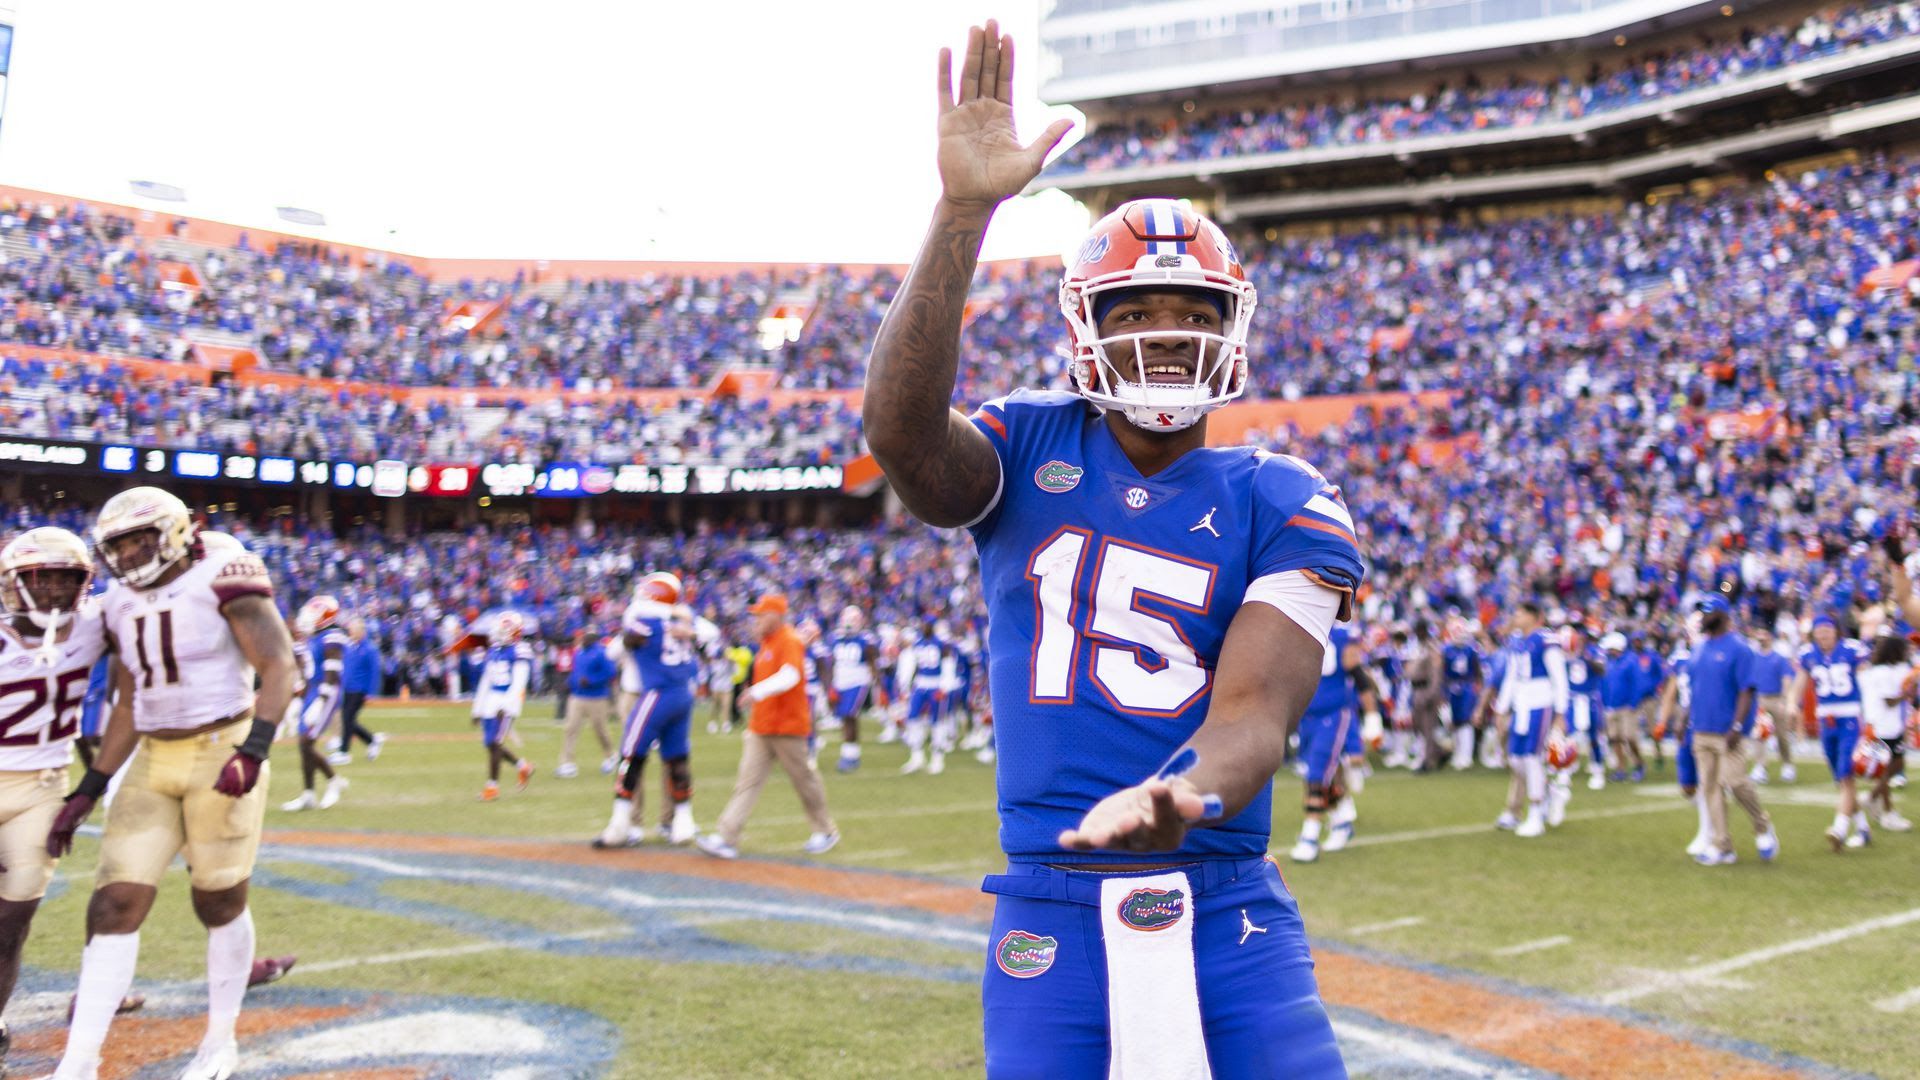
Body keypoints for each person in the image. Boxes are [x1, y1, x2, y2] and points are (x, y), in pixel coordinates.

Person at [862, 23, 1360, 1075]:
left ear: (1233, 328)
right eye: (1141, 307)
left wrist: (1181, 794)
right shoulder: (1024, 440)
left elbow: (1256, 716)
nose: (1170, 330)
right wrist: (962, 211)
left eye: (1195, 310)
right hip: (1050, 906)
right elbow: (903, 437)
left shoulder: (1286, 494)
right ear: (1087, 323)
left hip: (1226, 900)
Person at [45, 487, 297, 1080]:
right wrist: (91, 785)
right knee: (114, 902)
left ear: (178, 532)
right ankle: (78, 1062)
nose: (130, 555)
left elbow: (279, 664)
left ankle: (219, 1040)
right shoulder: (116, 604)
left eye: (140, 539)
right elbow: (130, 703)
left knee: (217, 899)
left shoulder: (223, 569)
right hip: (154, 757)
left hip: (223, 749)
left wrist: (255, 750)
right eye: (119, 545)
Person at [0, 528, 109, 1069]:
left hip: (43, 786)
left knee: (11, 921)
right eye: (42, 580)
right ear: (14, 583)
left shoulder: (96, 622)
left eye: (68, 580)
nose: (56, 592)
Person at [697, 593, 838, 859]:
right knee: (746, 782)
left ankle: (825, 830)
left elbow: (791, 675)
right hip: (761, 726)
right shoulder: (768, 642)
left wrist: (757, 692)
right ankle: (726, 836)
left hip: (787, 726)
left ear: (776, 616)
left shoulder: (789, 640)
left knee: (804, 780)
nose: (756, 620)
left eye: (761, 614)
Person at [597, 573, 715, 848]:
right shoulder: (683, 620)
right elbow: (710, 632)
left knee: (630, 757)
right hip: (683, 695)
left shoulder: (644, 622)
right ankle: (683, 823)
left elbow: (613, 652)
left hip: (656, 695)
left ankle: (619, 825)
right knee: (677, 758)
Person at [1681, 595, 1777, 866]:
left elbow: (1746, 690)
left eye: (1708, 612)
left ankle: (1762, 824)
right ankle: (1722, 844)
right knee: (1710, 788)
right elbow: (1695, 690)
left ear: (1722, 615)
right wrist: (1684, 720)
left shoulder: (1739, 648)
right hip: (1701, 728)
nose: (1702, 617)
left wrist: (1737, 725)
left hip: (1727, 730)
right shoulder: (1699, 649)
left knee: (1735, 782)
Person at [1288, 624, 1373, 862]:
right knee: (1326, 772)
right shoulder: (1300, 628)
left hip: (1333, 714)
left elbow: (1359, 676)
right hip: (1308, 716)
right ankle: (1343, 820)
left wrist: (1373, 716)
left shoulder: (1343, 636)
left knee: (1316, 775)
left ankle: (1309, 837)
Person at [1793, 614, 1873, 849]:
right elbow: (1800, 682)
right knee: (1840, 778)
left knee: (1846, 773)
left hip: (1850, 717)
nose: (1823, 635)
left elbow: (1866, 681)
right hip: (1825, 720)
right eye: (1819, 631)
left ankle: (1839, 829)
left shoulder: (1851, 649)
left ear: (1835, 631)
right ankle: (1862, 828)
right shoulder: (1808, 654)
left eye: (1826, 630)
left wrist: (1869, 718)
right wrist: (1790, 703)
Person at [1492, 603, 1567, 838]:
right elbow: (1511, 678)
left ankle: (1536, 813)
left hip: (1540, 702)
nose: (1516, 616)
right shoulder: (1517, 642)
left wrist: (1560, 713)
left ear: (1535, 616)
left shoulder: (1546, 639)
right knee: (1516, 759)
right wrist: (1502, 708)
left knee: (1532, 759)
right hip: (1522, 705)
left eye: (1521, 613)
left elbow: (1559, 677)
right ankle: (1547, 791)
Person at [280, 596, 349, 812]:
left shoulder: (332, 637)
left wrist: (321, 701)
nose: (306, 618)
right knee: (304, 745)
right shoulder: (314, 639)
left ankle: (334, 780)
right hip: (313, 693)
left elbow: (332, 674)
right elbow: (307, 670)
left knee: (306, 742)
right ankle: (308, 795)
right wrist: (301, 695)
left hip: (326, 694)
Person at [471, 612, 535, 802]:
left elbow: (518, 684)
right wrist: (477, 709)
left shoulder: (520, 651)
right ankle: (523, 766)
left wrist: (507, 707)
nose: (499, 631)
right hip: (491, 700)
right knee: (491, 744)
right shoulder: (495, 650)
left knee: (494, 743)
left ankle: (492, 788)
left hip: (507, 701)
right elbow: (486, 681)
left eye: (503, 628)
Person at [1857, 632, 1913, 832]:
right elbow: (1889, 700)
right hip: (1881, 727)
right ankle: (1888, 813)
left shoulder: (1890, 669)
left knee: (1897, 764)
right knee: (1886, 770)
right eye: (1904, 649)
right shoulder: (1881, 672)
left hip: (1889, 727)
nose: (1908, 652)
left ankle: (1871, 798)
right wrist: (1906, 693)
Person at [556, 628, 617, 779]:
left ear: (594, 638)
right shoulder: (579, 652)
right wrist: (569, 682)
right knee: (571, 728)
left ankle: (611, 755)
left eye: (586, 636)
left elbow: (611, 672)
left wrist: (592, 680)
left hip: (596, 697)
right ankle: (567, 762)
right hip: (577, 696)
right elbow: (576, 671)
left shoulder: (601, 653)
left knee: (599, 729)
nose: (583, 638)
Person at [824, 606, 879, 773]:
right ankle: (852, 754)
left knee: (849, 715)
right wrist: (831, 685)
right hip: (840, 682)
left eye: (853, 620)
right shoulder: (835, 638)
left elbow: (872, 662)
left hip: (858, 681)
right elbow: (832, 663)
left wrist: (876, 684)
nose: (849, 624)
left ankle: (849, 756)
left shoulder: (866, 639)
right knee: (844, 717)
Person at [1746, 625, 1797, 784]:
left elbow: (1786, 678)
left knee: (1782, 734)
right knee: (1759, 734)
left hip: (1775, 698)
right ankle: (1761, 765)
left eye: (1764, 633)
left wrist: (1785, 699)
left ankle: (1787, 764)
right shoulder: (1753, 657)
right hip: (1759, 698)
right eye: (1759, 633)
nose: (1761, 637)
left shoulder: (1779, 658)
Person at [334, 616, 384, 765]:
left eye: (353, 630)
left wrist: (371, 692)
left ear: (361, 631)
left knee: (347, 719)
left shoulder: (369, 649)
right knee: (347, 720)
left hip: (359, 689)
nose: (351, 632)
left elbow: (374, 671)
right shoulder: (350, 646)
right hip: (348, 688)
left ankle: (344, 751)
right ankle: (371, 740)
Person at [1599, 631, 1644, 781]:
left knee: (1629, 737)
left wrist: (1633, 703)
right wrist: (1605, 703)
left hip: (1627, 707)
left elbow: (1638, 683)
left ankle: (1638, 764)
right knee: (1615, 738)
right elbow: (1604, 684)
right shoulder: (1609, 662)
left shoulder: (1631, 661)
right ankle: (1621, 768)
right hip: (1611, 706)